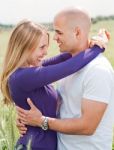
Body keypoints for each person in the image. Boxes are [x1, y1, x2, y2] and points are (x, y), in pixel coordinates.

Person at [16, 8, 114, 150]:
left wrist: (41, 121)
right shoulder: (67, 66)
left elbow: (87, 127)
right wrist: (27, 120)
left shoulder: (97, 70)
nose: (55, 38)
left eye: (59, 32)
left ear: (77, 32)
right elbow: (63, 108)